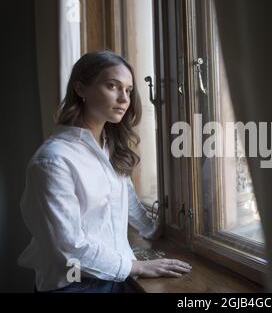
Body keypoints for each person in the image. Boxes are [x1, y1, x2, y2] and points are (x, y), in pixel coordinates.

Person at [18, 50, 191, 293]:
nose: (124, 98)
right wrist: (138, 267)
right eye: (113, 86)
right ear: (80, 89)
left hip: (116, 277)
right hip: (75, 285)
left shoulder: (107, 147)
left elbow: (126, 198)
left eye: (129, 90)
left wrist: (155, 230)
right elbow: (70, 248)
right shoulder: (53, 161)